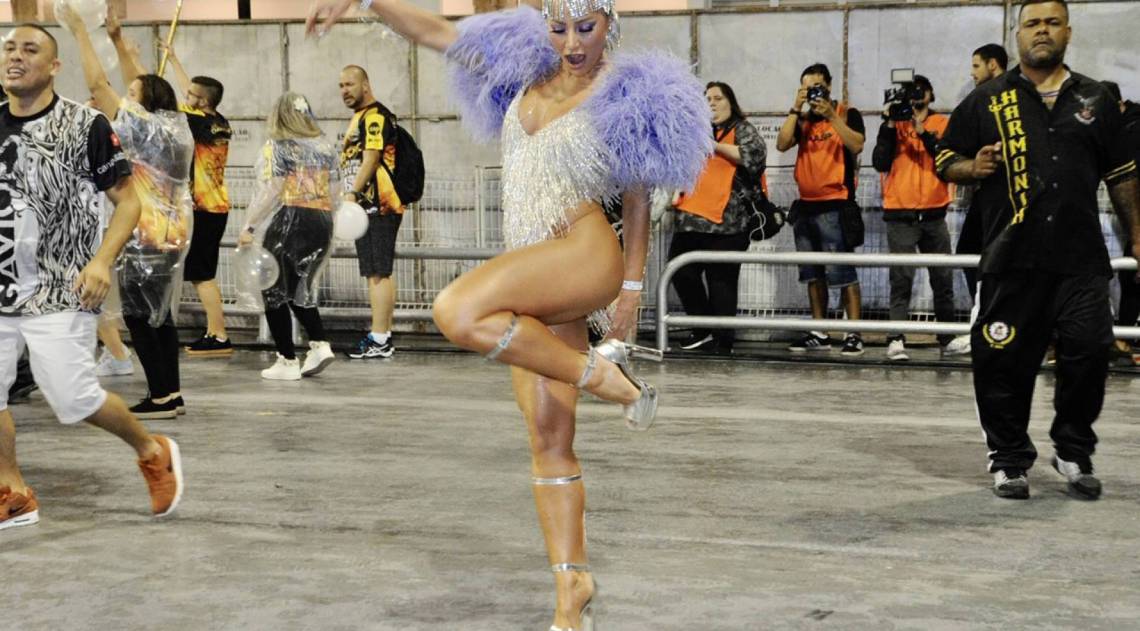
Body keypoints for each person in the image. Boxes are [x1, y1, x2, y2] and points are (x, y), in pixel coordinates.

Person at [307, 1, 710, 629]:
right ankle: (570, 589)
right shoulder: (517, 71)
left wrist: (631, 291)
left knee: (456, 309)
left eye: (587, 27)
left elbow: (636, 199)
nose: (573, 43)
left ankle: (600, 376)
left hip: (580, 251)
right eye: (559, 28)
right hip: (531, 269)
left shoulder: (627, 94)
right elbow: (435, 32)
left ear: (610, 25)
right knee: (548, 440)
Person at [935, 0, 1140, 500]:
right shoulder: (988, 98)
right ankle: (1008, 459)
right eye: (1032, 24)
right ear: (1017, 33)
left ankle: (1072, 449)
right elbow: (944, 158)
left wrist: (1137, 233)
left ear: (1068, 31)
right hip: (1011, 257)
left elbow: (1123, 176)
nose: (1041, 31)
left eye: (1051, 23)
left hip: (1080, 259)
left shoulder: (1095, 99)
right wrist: (972, 169)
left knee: (1091, 353)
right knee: (1003, 362)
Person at [0, 23, 184, 531]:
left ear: (54, 66)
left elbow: (129, 201)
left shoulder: (86, 125)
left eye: (30, 49)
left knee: (73, 397)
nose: (15, 57)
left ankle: (151, 448)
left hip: (62, 286)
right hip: (1, 286)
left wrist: (102, 260)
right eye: (9, 48)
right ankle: (13, 492)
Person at [63, 8, 195, 421]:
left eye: (131, 93)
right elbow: (153, 87)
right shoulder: (177, 127)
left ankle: (160, 397)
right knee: (162, 317)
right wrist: (120, 42)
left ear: (141, 103)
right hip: (174, 232)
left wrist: (81, 30)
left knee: (141, 320)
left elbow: (97, 83)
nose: (126, 95)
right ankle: (170, 393)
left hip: (145, 234)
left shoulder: (140, 128)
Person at [238, 93, 338, 381]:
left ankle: (286, 358)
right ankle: (318, 343)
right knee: (298, 287)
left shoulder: (278, 147)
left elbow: (272, 189)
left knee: (272, 287)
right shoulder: (325, 147)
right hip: (321, 220)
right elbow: (335, 191)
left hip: (290, 220)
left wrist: (249, 226)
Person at [151, 36, 234, 357]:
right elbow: (194, 94)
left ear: (201, 102)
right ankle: (216, 332)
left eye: (192, 97)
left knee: (202, 275)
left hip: (202, 207)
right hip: (217, 205)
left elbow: (172, 107)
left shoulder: (195, 122)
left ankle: (219, 334)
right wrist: (173, 60)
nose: (187, 98)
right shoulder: (217, 122)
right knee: (202, 272)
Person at [669, 81, 766, 355]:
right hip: (690, 220)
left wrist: (715, 146)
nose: (712, 103)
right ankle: (703, 331)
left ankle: (723, 342)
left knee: (721, 282)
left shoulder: (742, 129)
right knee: (680, 271)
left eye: (718, 98)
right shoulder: (695, 130)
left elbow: (754, 157)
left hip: (729, 223)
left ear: (730, 101)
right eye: (707, 99)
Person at [776, 63, 866, 355]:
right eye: (807, 87)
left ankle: (855, 332)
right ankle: (820, 330)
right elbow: (782, 143)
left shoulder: (847, 113)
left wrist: (830, 115)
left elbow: (857, 144)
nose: (813, 92)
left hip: (836, 204)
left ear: (828, 85)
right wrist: (795, 107)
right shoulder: (802, 120)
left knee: (843, 272)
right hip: (806, 206)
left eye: (817, 86)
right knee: (812, 273)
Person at [871, 75, 957, 361]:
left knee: (943, 278)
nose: (916, 97)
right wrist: (889, 123)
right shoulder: (894, 124)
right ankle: (896, 337)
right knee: (901, 278)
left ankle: (946, 338)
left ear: (931, 95)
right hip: (900, 213)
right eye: (910, 93)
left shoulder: (942, 123)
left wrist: (920, 129)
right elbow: (880, 162)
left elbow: (944, 155)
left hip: (934, 213)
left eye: (921, 91)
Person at [948, 43, 1011, 357]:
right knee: (973, 255)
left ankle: (990, 326)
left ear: (994, 65)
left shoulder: (1009, 98)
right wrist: (972, 165)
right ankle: (985, 324)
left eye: (976, 66)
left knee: (993, 261)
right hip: (987, 195)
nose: (972, 74)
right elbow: (947, 155)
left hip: (1007, 201)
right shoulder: (979, 103)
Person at [338, 65, 402, 360]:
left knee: (377, 272)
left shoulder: (374, 116)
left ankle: (380, 339)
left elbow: (372, 158)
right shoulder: (360, 117)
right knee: (376, 271)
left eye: (350, 84)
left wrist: (352, 193)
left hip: (378, 204)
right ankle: (382, 336)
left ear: (366, 84)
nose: (344, 91)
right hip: (368, 205)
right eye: (341, 86)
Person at [1103, 80, 1140, 365]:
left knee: (1131, 277)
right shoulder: (1129, 126)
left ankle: (1125, 339)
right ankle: (1125, 338)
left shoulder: (1130, 131)